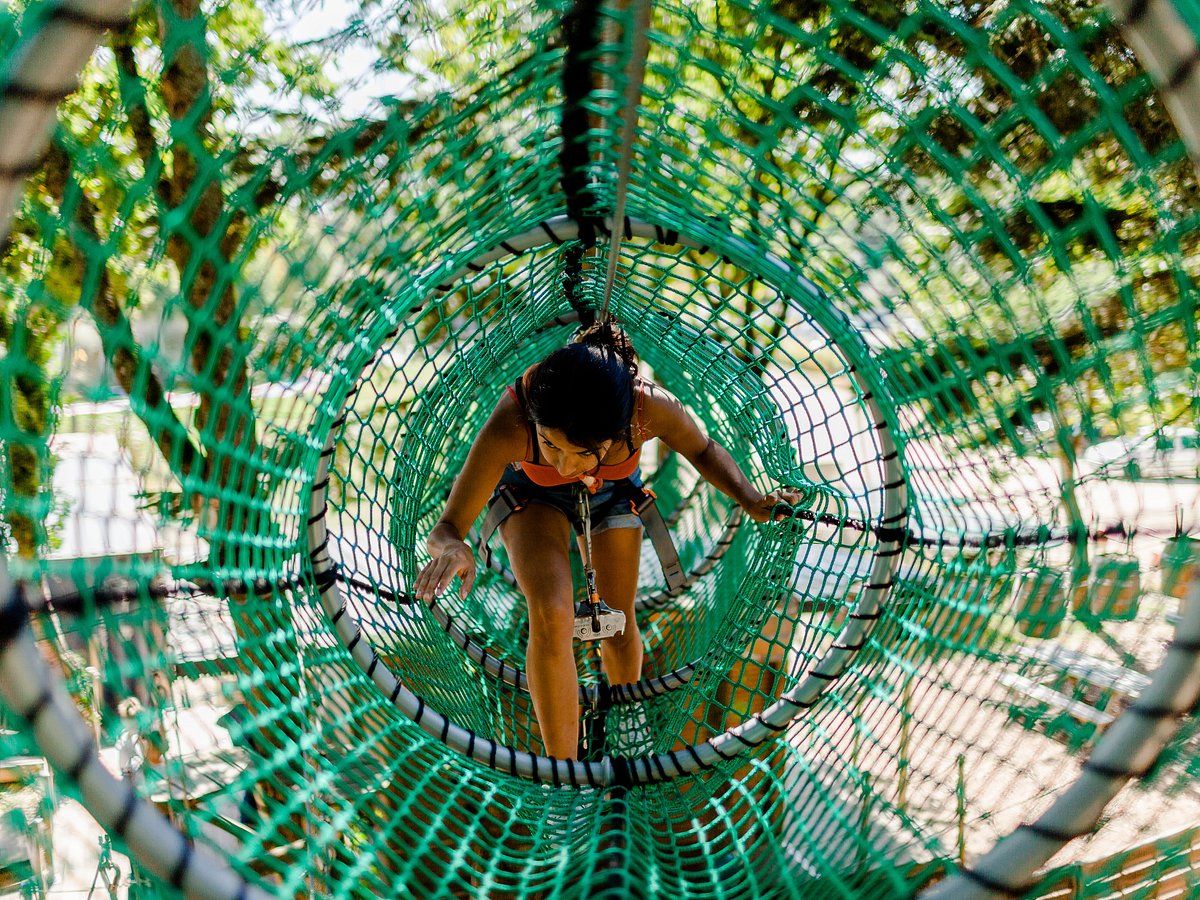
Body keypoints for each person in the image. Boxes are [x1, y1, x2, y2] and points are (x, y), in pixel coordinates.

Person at [414, 322, 800, 760]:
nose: (563, 466)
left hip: (614, 492)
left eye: (582, 452)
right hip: (531, 496)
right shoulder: (513, 421)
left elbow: (703, 449)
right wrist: (454, 548)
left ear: (619, 431)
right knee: (552, 611)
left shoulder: (648, 408)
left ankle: (625, 710)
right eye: (550, 445)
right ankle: (564, 772)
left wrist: (750, 500)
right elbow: (447, 527)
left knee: (616, 616)